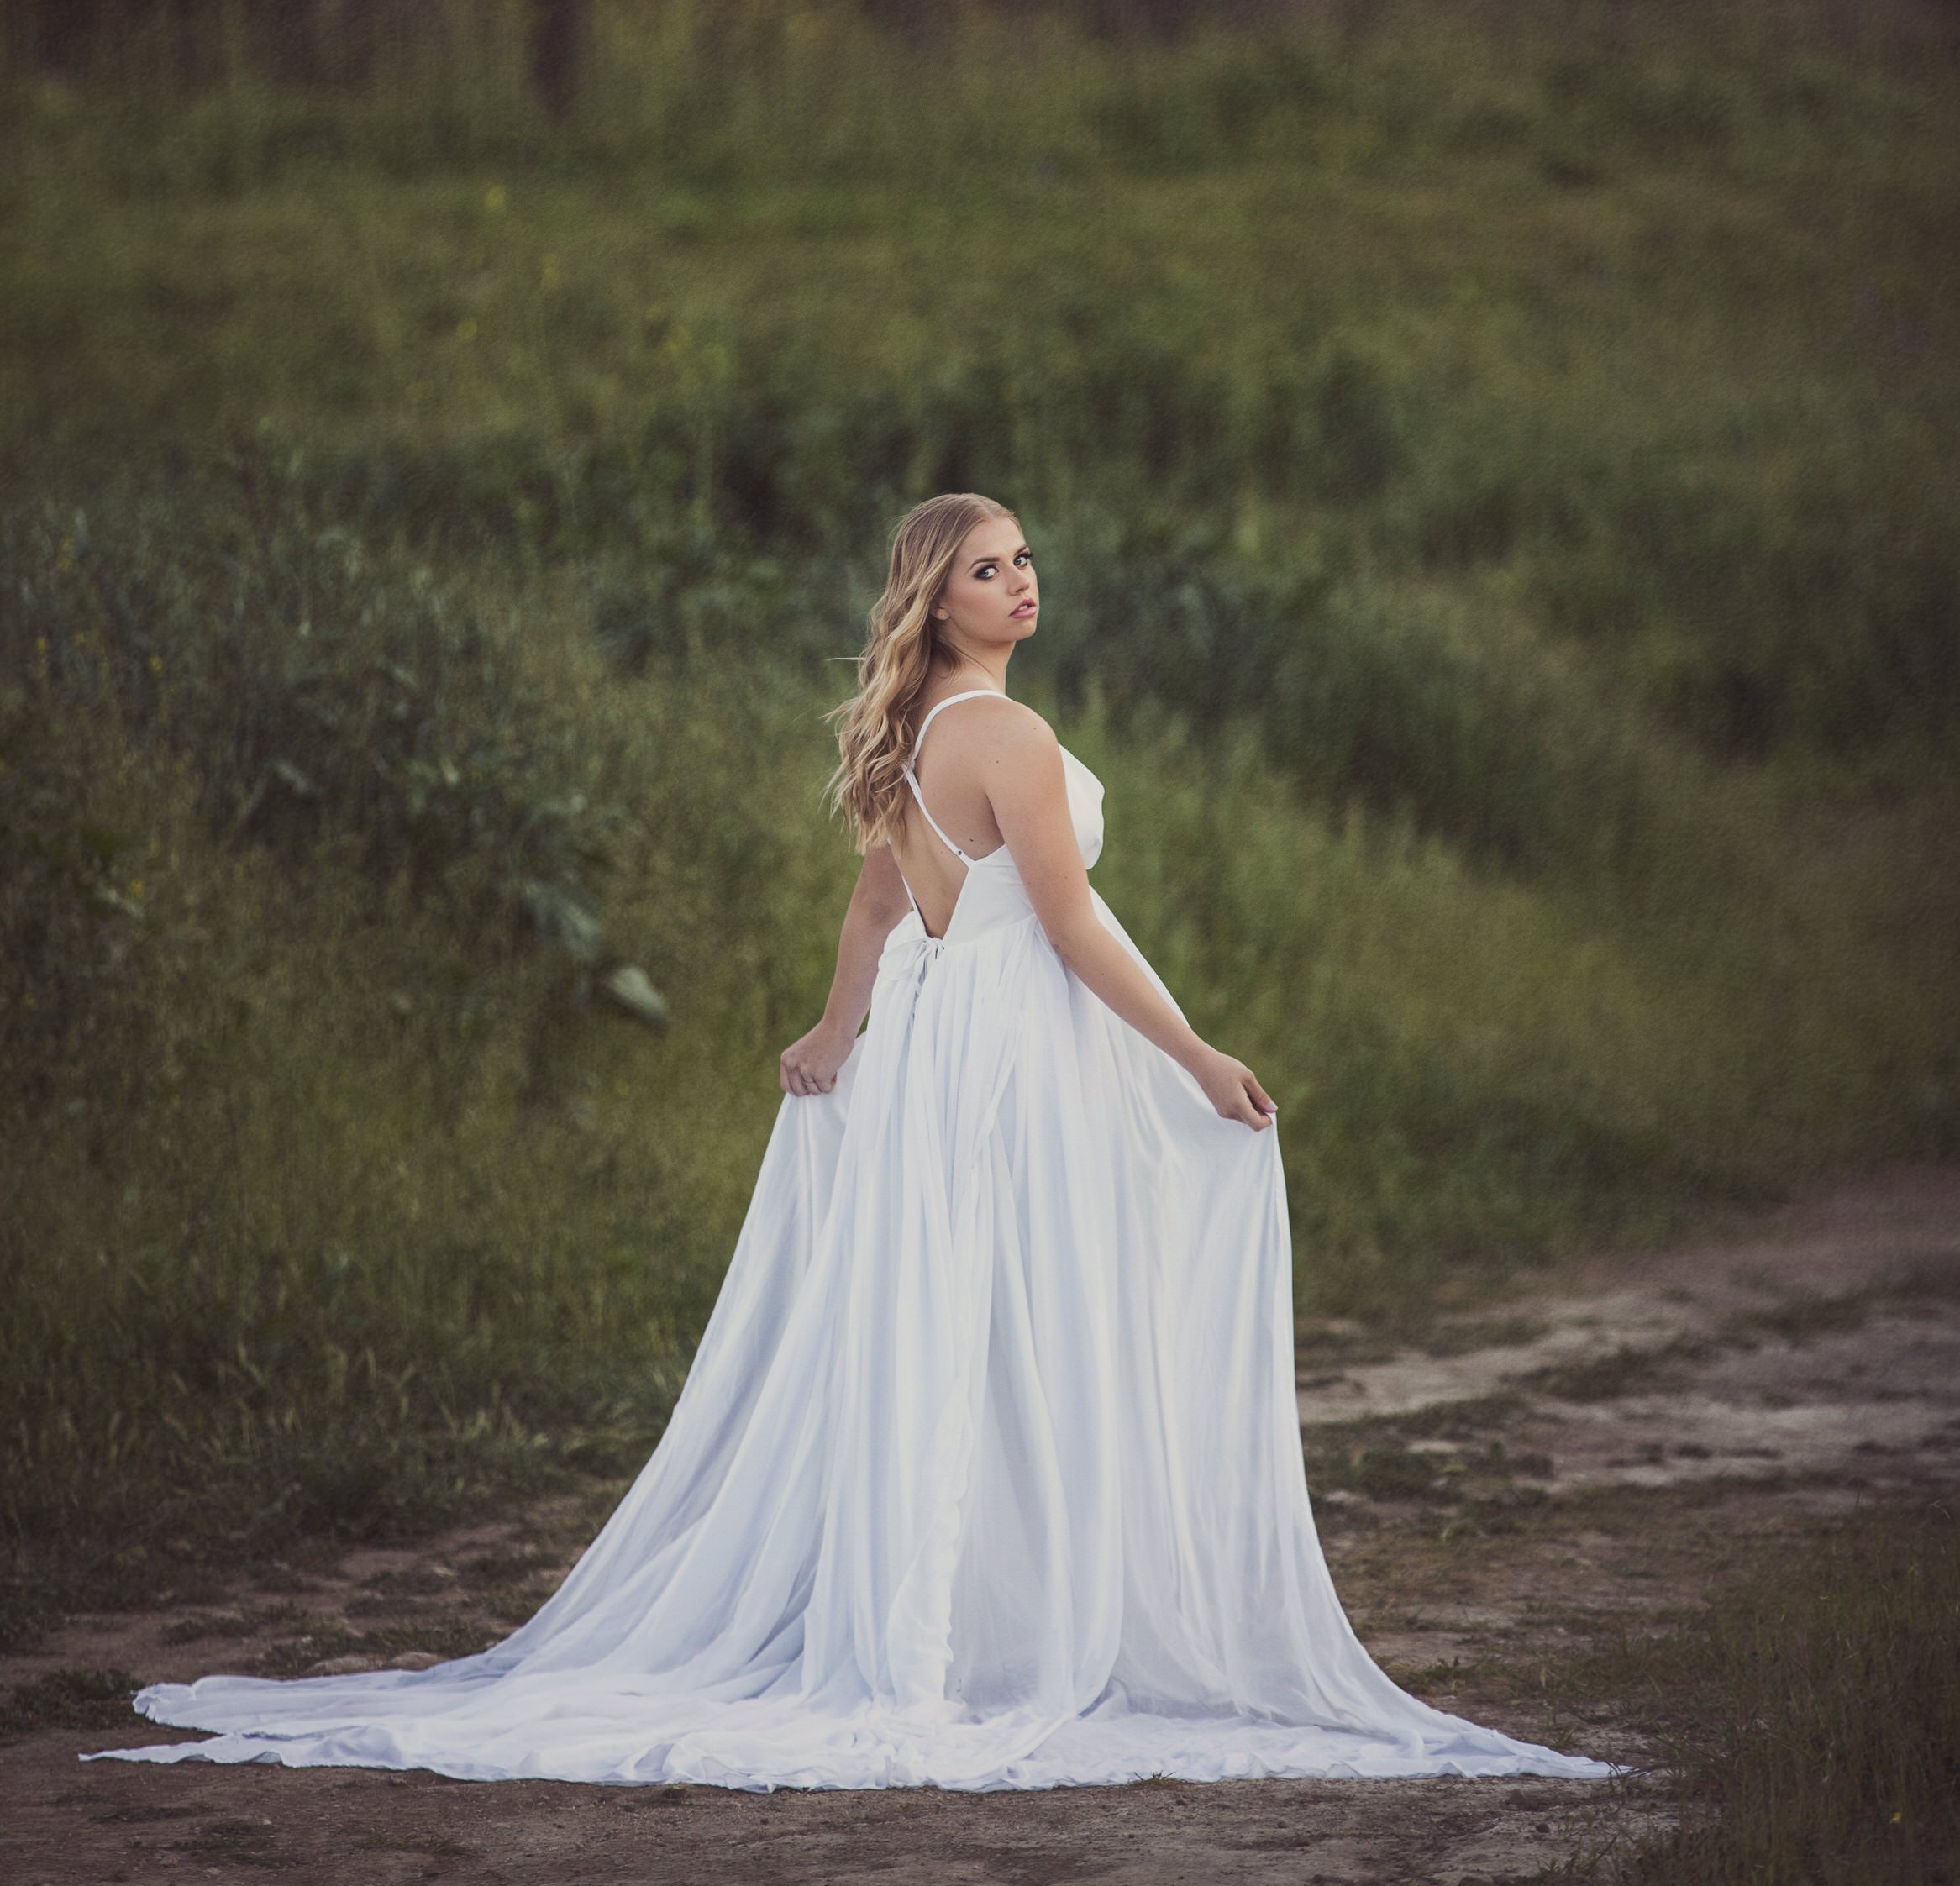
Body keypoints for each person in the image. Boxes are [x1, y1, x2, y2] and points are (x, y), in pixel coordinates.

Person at [99, 495, 1605, 1789]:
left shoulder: (912, 731)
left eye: (1023, 560)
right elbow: (1066, 925)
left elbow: (883, 906)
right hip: (1015, 1042)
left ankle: (992, 1603)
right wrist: (1197, 1053)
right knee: (1027, 1313)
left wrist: (841, 1031)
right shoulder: (1002, 732)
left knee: (978, 1316)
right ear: (933, 599)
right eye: (986, 568)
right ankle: (999, 1621)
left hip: (953, 1043)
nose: (1021, 582)